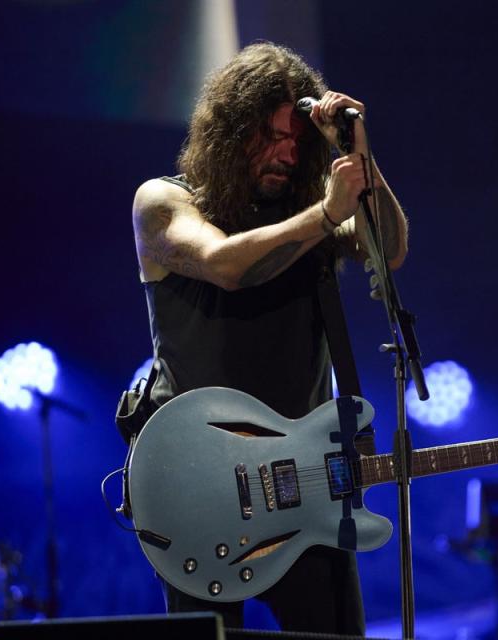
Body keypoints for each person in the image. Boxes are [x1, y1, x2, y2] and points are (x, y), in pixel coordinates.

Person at [130, 42, 408, 635]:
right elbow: (225, 265)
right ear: (231, 133)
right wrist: (326, 215)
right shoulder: (165, 201)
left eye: (296, 141)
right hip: (202, 494)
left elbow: (390, 248)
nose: (286, 153)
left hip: (306, 490)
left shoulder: (318, 212)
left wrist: (360, 158)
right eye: (269, 136)